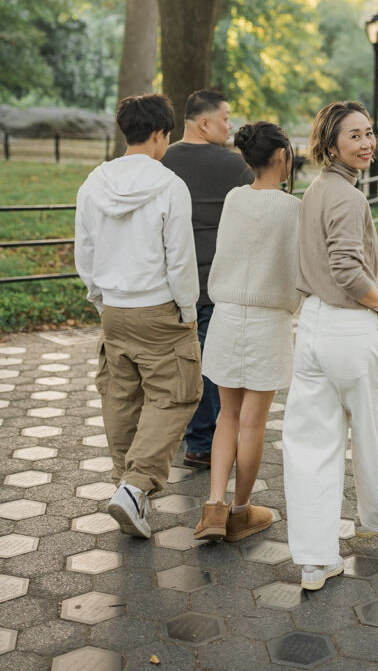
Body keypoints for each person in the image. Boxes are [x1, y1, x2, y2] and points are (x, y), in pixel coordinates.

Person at [282, 100, 378, 591]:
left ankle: (316, 562)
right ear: (331, 143)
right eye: (354, 136)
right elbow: (345, 267)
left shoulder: (316, 189)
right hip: (349, 326)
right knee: (370, 430)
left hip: (314, 326)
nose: (367, 143)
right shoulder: (349, 198)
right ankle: (376, 514)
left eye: (369, 133)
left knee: (313, 445)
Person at [75, 94, 202, 539]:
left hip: (114, 310)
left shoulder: (93, 183)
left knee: (121, 398)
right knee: (177, 395)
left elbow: (84, 252)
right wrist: (187, 310)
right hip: (159, 309)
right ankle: (133, 487)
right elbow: (180, 260)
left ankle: (127, 492)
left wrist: (100, 299)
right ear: (159, 134)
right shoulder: (169, 185)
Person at [193, 122, 301, 543]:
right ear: (281, 157)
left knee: (226, 418)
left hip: (226, 315)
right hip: (268, 321)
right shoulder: (294, 209)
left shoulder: (235, 199)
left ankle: (213, 507)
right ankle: (240, 512)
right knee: (253, 424)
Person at [162, 89, 254, 469]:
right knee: (213, 367)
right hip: (217, 282)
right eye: (226, 118)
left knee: (180, 364)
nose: (230, 126)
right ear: (204, 122)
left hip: (169, 283)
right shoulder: (234, 166)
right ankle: (205, 442)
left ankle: (192, 438)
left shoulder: (161, 160)